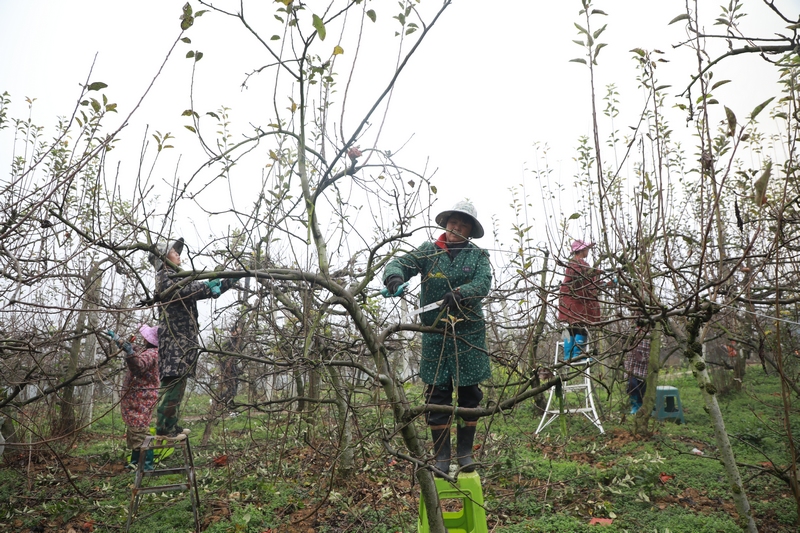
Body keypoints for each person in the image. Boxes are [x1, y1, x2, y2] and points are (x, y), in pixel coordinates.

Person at [382, 200, 492, 477]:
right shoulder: (429, 251)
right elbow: (400, 263)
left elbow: (483, 284)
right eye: (453, 222)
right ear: (445, 224)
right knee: (438, 394)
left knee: (469, 395)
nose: (456, 227)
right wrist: (394, 279)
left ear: (470, 229)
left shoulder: (479, 255)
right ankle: (441, 455)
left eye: (463, 223)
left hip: (468, 333)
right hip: (436, 334)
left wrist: (461, 293)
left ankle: (465, 453)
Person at [149, 237, 238, 438]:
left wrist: (229, 280)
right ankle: (164, 427)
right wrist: (209, 284)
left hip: (182, 344)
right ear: (164, 258)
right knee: (173, 386)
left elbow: (200, 290)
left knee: (177, 386)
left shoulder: (175, 275)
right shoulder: (165, 278)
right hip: (175, 345)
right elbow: (191, 290)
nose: (178, 253)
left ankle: (170, 423)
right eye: (173, 251)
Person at [106, 325, 160, 471]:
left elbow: (139, 364)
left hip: (142, 399)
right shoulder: (146, 350)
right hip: (137, 398)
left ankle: (147, 466)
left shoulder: (153, 354)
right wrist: (120, 341)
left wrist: (129, 352)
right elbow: (134, 349)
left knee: (139, 430)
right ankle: (135, 462)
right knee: (135, 429)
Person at [557, 240, 602, 360]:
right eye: (586, 249)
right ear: (581, 250)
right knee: (579, 326)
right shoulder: (575, 263)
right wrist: (592, 271)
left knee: (573, 326)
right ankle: (577, 354)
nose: (588, 251)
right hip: (574, 300)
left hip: (574, 300)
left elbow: (590, 281)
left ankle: (570, 355)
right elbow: (579, 275)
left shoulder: (581, 264)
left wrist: (606, 282)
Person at [624, 332, 650, 414]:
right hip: (632, 366)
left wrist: (643, 358)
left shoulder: (649, 336)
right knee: (633, 385)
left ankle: (641, 405)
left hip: (643, 368)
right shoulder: (632, 333)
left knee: (642, 389)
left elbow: (651, 353)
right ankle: (634, 405)